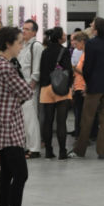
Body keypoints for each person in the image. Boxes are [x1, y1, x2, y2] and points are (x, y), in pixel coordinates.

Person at [0, 27, 34, 206]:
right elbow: (26, 92)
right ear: (8, 44)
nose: (21, 46)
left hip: (1, 127)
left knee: (6, 174)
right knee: (20, 175)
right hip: (9, 129)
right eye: (18, 42)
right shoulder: (5, 67)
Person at [70, 17, 104, 159]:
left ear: (96, 29)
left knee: (87, 118)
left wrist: (87, 83)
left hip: (95, 85)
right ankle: (101, 151)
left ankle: (80, 150)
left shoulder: (91, 44)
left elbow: (88, 67)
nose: (91, 27)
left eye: (92, 25)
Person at [38, 26, 73, 159]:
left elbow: (42, 69)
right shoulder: (64, 51)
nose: (65, 36)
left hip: (46, 88)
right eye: (63, 34)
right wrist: (69, 86)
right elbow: (69, 70)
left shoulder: (45, 51)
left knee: (47, 120)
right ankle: (62, 152)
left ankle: (48, 151)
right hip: (61, 88)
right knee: (61, 122)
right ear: (59, 38)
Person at [18, 18, 42, 158]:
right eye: (23, 28)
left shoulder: (36, 46)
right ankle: (28, 146)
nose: (24, 31)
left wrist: (30, 88)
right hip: (22, 88)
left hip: (30, 88)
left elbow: (36, 70)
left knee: (31, 118)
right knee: (24, 119)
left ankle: (34, 149)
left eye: (27, 29)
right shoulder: (24, 46)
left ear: (34, 32)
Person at [70, 31, 87, 138]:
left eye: (76, 43)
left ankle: (81, 136)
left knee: (81, 114)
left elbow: (86, 72)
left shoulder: (86, 54)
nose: (75, 46)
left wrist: (73, 68)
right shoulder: (83, 54)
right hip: (78, 86)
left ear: (82, 42)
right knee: (78, 113)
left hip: (82, 87)